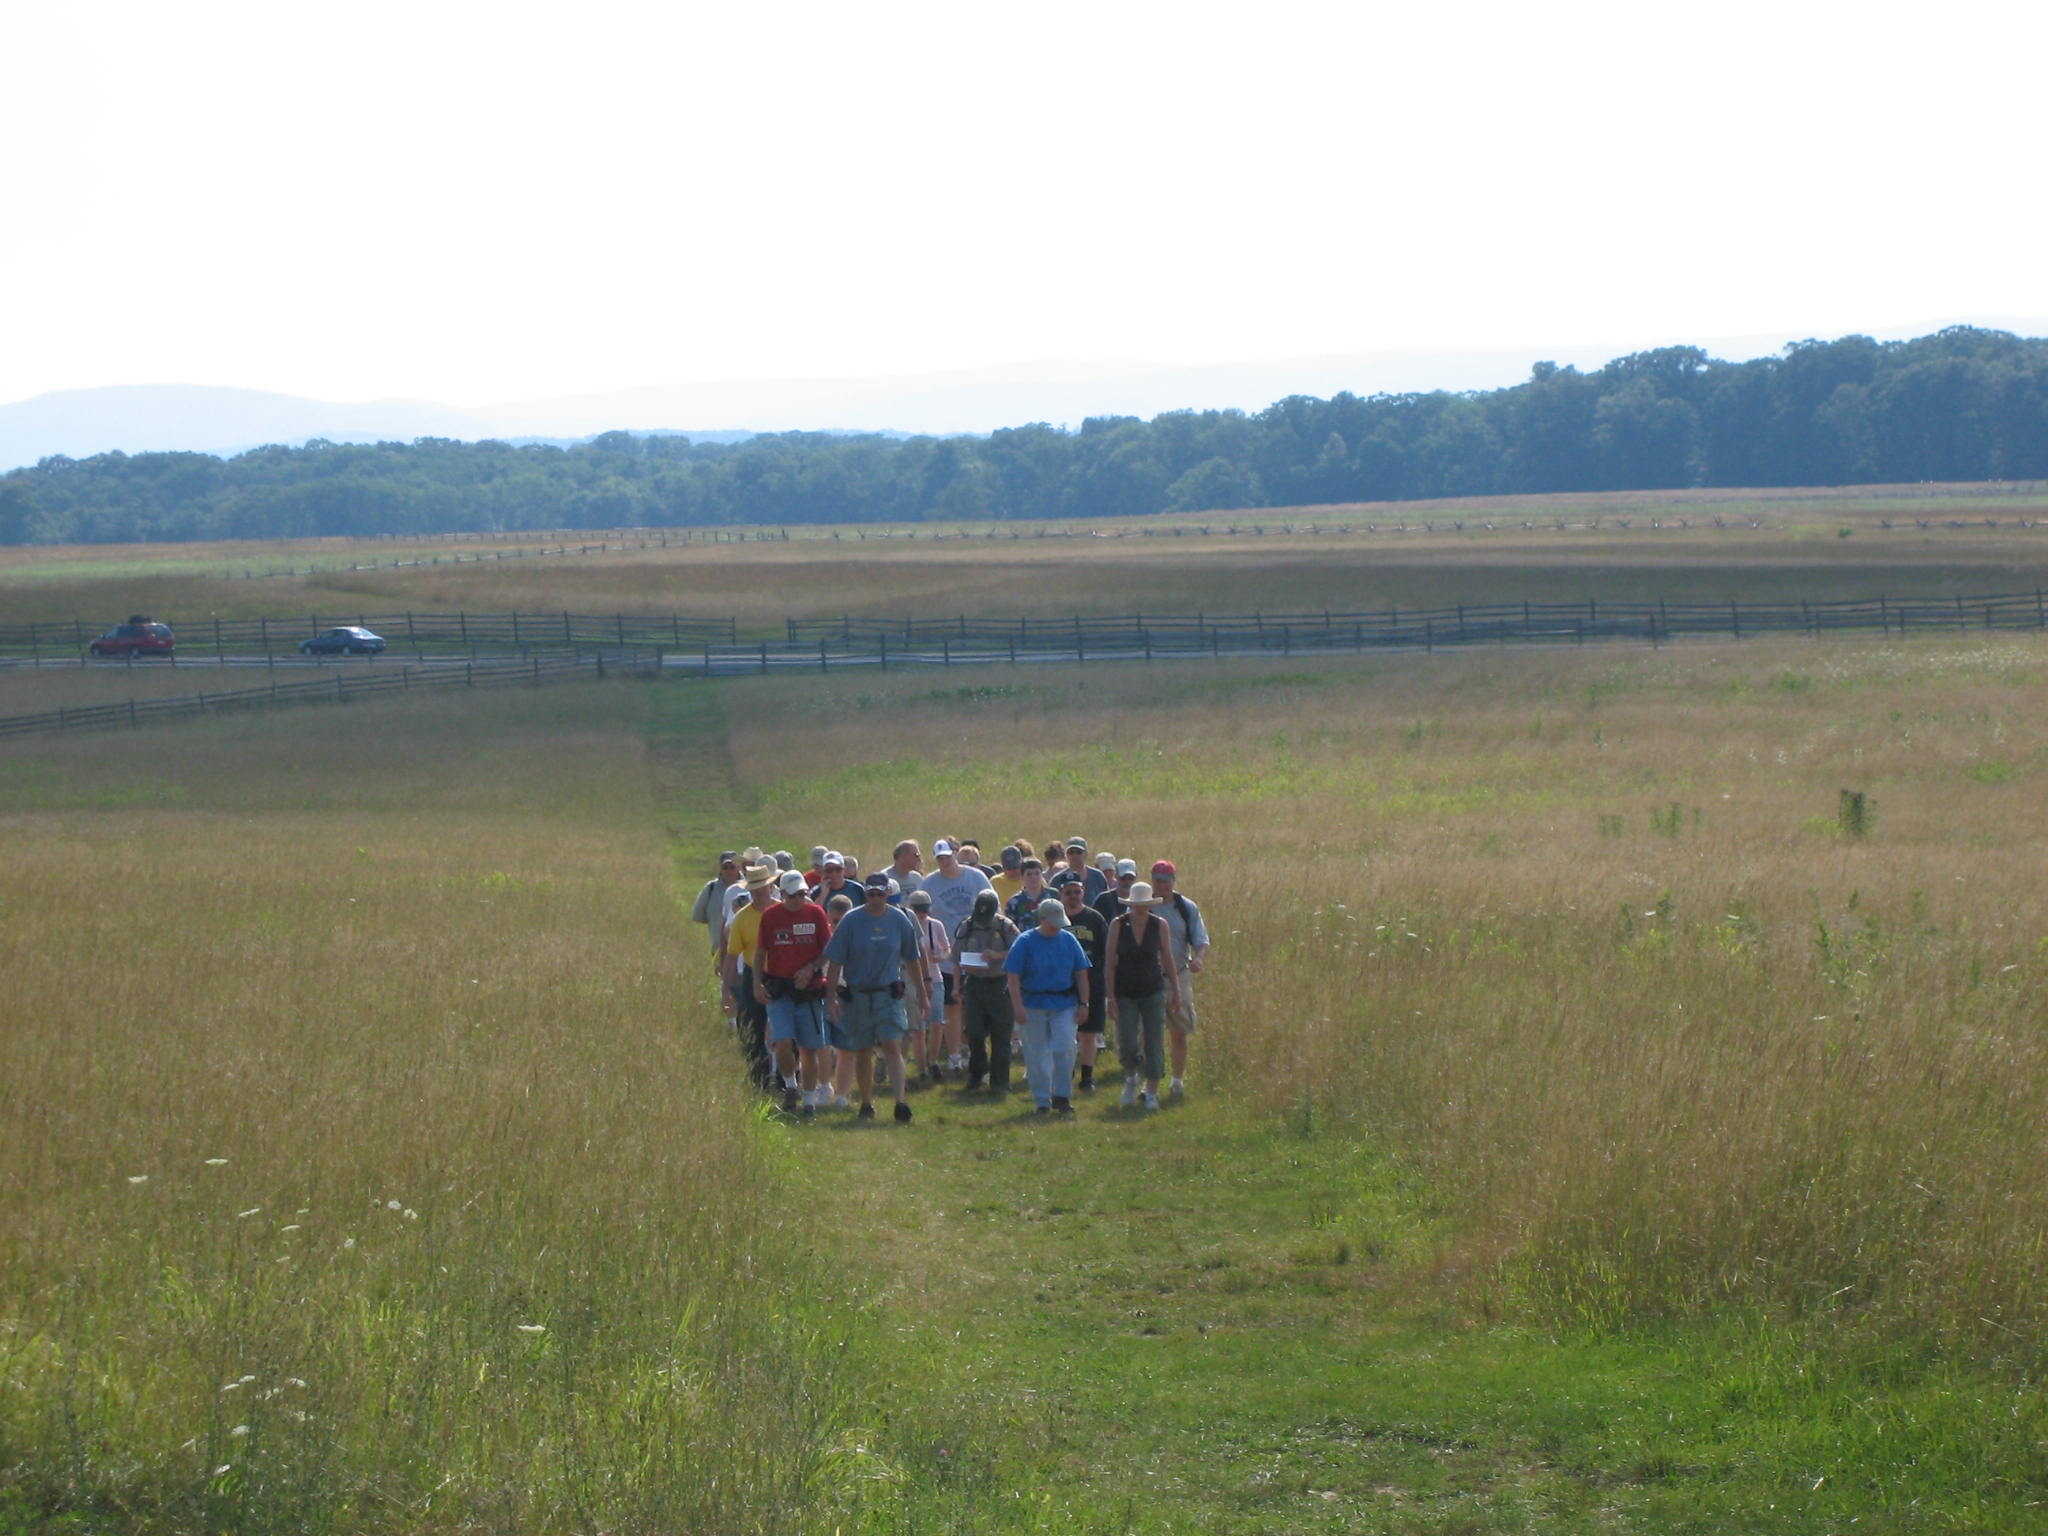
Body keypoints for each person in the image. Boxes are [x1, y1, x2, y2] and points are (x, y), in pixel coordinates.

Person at [822, 873, 929, 1122]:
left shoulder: (899, 920)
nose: (876, 899)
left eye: (880, 894)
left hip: (888, 993)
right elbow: (835, 961)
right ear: (865, 895)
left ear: (887, 894)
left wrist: (923, 993)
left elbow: (913, 959)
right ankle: (867, 1103)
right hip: (858, 994)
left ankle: (900, 1102)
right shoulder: (851, 921)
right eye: (871, 894)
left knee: (892, 1044)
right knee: (862, 1050)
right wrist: (831, 998)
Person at [753, 870, 834, 1116]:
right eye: (793, 895)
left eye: (802, 894)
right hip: (780, 989)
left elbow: (829, 949)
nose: (798, 899)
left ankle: (808, 1102)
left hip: (809, 992)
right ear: (783, 894)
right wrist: (757, 983)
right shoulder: (770, 917)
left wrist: (811, 968)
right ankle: (790, 1086)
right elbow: (760, 953)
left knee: (810, 1049)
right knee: (782, 1042)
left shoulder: (816, 913)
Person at [1004, 897, 1091, 1115]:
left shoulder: (1069, 940)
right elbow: (1012, 976)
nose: (1056, 927)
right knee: (1037, 1055)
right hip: (1032, 1004)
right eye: (1052, 922)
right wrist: (1018, 1007)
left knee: (1065, 1047)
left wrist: (1084, 1004)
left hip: (1064, 1003)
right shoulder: (1025, 942)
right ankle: (1042, 1100)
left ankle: (1062, 1095)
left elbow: (1081, 973)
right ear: (1042, 919)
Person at [920, 839, 992, 1075]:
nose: (944, 861)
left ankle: (975, 1051)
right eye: (939, 857)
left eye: (947, 856)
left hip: (976, 951)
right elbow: (923, 917)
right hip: (947, 957)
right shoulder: (929, 883)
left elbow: (993, 909)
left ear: (954, 854)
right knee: (952, 1008)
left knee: (976, 1006)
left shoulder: (976, 877)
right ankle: (953, 1055)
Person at [1103, 881, 1174, 1110]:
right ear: (1130, 905)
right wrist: (1110, 997)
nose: (1140, 909)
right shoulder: (1118, 925)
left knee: (1154, 1040)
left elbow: (1168, 958)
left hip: (1153, 989)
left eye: (1144, 905)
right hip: (1125, 990)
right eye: (1136, 905)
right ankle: (1132, 1076)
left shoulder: (1159, 925)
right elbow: (1109, 962)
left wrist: (1177, 990)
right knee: (1127, 1040)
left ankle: (1151, 1089)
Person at [1150, 860, 1210, 1097]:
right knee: (1148, 1032)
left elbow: (1201, 939)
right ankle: (1150, 1080)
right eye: (1158, 880)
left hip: (1180, 975)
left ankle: (1177, 1080)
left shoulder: (1186, 907)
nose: (1162, 885)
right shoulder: (1143, 904)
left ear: (1173, 882)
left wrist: (1199, 959)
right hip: (1149, 977)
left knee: (1179, 1031)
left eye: (1166, 881)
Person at [953, 888, 1018, 1092]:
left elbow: (1019, 951)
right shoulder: (967, 925)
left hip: (1000, 984)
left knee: (1001, 1035)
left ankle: (1000, 1082)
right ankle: (977, 1073)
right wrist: (957, 984)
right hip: (975, 984)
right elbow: (956, 957)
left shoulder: (1005, 926)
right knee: (974, 1032)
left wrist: (998, 955)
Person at [724, 862, 779, 1091]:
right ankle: (759, 1077)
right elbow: (731, 955)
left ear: (770, 886)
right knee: (752, 1026)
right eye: (754, 888)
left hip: (779, 973)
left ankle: (787, 1077)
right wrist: (726, 990)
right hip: (750, 973)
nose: (759, 892)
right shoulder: (742, 919)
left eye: (762, 887)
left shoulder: (781, 912)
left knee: (783, 1027)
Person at [1059, 876, 1109, 1092]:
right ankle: (1065, 1072)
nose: (1073, 896)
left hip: (1092, 981)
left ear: (1083, 892)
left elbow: (1106, 951)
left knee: (1088, 1032)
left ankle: (1087, 1077)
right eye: (1068, 892)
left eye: (1077, 891)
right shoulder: (1055, 919)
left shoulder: (1094, 919)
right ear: (1061, 894)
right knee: (1065, 1032)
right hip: (1062, 984)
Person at [904, 887, 950, 1080]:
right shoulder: (906, 926)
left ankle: (932, 1061)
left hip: (935, 977)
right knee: (919, 1028)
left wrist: (940, 957)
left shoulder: (935, 925)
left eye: (925, 910)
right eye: (919, 910)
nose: (923, 914)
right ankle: (922, 1067)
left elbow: (947, 948)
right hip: (915, 980)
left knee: (937, 1022)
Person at [691, 851, 742, 972]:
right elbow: (697, 915)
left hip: (744, 950)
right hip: (719, 949)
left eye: (732, 867)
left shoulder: (749, 887)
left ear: (739, 868)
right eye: (725, 867)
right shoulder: (711, 888)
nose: (728, 871)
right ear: (720, 869)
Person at [1004, 857, 1051, 927]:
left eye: (1037, 873)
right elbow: (1010, 930)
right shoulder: (1014, 902)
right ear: (1022, 877)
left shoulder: (1053, 895)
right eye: (1029, 874)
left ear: (1042, 875)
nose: (1034, 877)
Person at [1094, 858, 1139, 925]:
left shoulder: (1141, 900)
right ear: (1116, 876)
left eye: (1130, 878)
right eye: (1123, 878)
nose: (1127, 882)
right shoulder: (1103, 900)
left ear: (1136, 877)